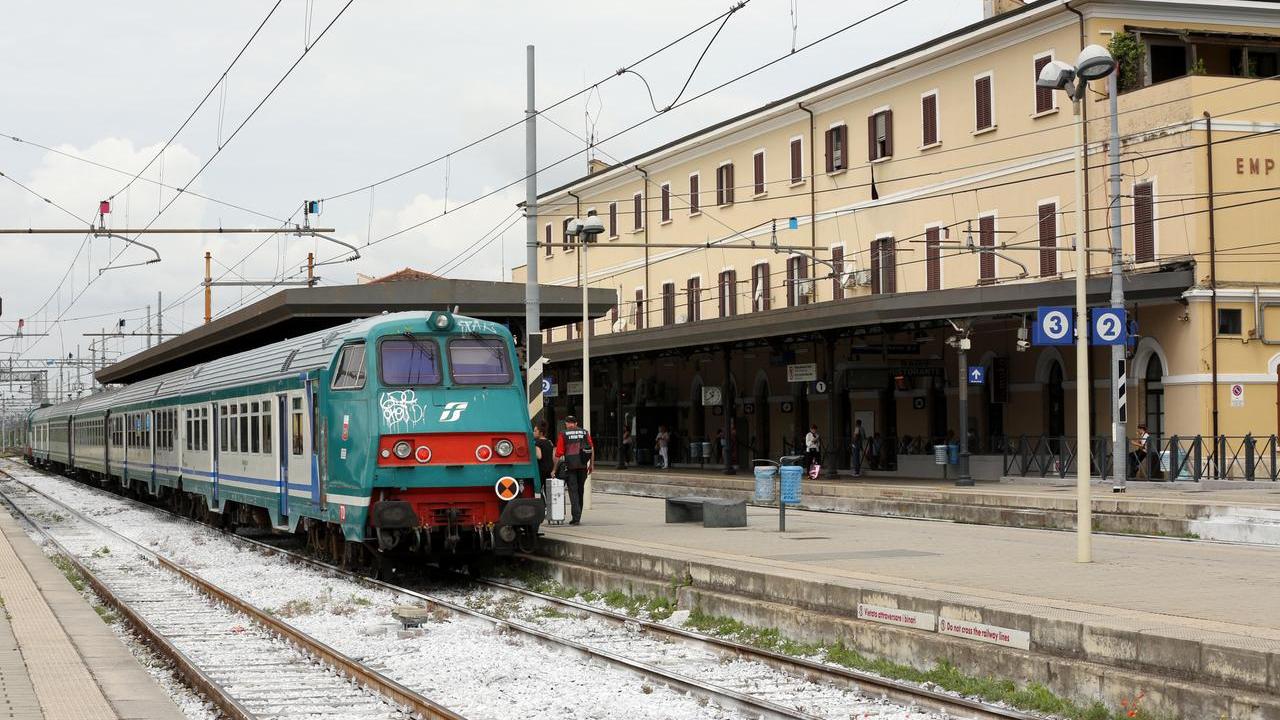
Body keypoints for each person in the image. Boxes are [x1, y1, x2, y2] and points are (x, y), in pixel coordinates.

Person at [554, 415, 594, 525]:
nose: (570, 424)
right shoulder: (584, 433)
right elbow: (591, 448)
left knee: (573, 492)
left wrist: (554, 469)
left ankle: (576, 517)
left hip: (570, 467)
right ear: (576, 423)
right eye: (569, 423)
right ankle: (578, 515)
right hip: (582, 467)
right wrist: (591, 464)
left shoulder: (563, 434)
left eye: (570, 423)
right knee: (580, 490)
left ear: (567, 424)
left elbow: (559, 453)